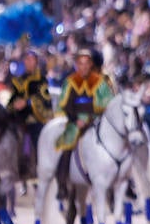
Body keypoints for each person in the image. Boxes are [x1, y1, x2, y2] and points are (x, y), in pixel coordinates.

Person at [54, 49, 115, 196]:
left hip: (97, 120)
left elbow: (109, 102)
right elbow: (65, 104)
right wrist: (76, 120)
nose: (85, 67)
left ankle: (122, 180)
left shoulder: (101, 82)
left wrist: (92, 116)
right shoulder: (71, 81)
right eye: (81, 63)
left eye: (87, 63)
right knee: (68, 143)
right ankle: (62, 182)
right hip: (77, 121)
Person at [7, 49, 52, 167]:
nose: (29, 62)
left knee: (37, 139)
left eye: (32, 60)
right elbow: (12, 100)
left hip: (36, 119)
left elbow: (45, 100)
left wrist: (28, 102)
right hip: (19, 119)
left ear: (36, 62)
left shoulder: (41, 80)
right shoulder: (18, 81)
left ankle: (39, 165)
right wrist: (14, 105)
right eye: (27, 59)